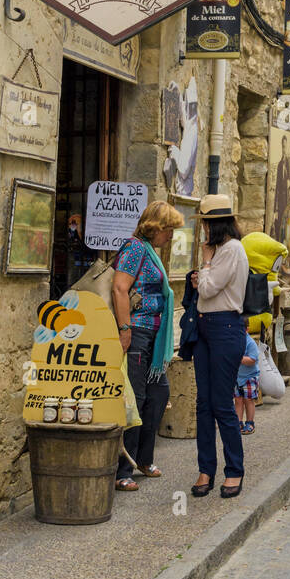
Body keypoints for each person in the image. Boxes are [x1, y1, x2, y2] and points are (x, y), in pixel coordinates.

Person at [112, 200, 184, 491]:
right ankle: (122, 470)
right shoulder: (134, 248)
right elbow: (120, 287)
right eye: (168, 230)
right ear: (156, 227)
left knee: (158, 395)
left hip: (153, 337)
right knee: (137, 398)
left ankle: (143, 458)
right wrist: (125, 328)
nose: (171, 236)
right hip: (138, 332)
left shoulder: (150, 251)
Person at [190, 195, 250, 500]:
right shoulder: (218, 251)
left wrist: (206, 263)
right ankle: (206, 468)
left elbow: (209, 287)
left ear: (212, 224)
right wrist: (203, 271)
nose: (201, 228)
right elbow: (203, 287)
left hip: (226, 327)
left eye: (203, 222)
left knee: (222, 403)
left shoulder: (231, 250)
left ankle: (234, 470)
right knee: (204, 403)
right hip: (205, 327)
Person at [234, 331, 260, 436]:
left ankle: (250, 422)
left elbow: (252, 359)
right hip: (237, 377)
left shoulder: (250, 342)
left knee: (248, 400)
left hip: (250, 376)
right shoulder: (234, 341)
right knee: (238, 400)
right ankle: (238, 422)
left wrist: (239, 358)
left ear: (246, 329)